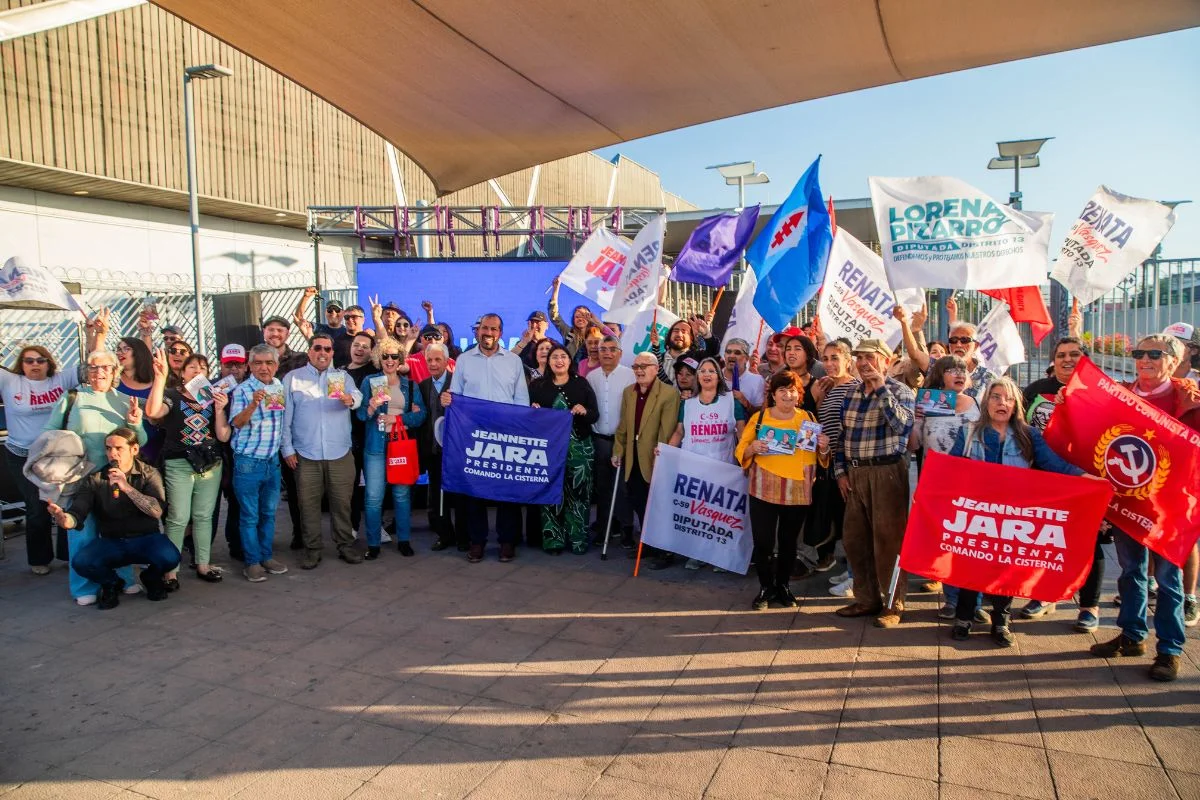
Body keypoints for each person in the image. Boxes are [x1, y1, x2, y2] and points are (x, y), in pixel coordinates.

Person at [1089, 334, 1200, 681]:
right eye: (1139, 353)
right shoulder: (1120, 393)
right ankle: (1132, 636)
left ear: (1174, 360)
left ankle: (1169, 649)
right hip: (1128, 501)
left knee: (1168, 580)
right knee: (1130, 572)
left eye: (1155, 353)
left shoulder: (1189, 400)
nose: (1145, 359)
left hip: (1169, 508)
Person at [948, 378, 1088, 647]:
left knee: (1005, 569)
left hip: (1013, 515)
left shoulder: (1029, 435)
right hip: (978, 514)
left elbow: (1054, 464)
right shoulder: (968, 433)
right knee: (971, 564)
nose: (1002, 403)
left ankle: (1001, 621)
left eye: (1009, 398)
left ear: (1016, 405)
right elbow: (950, 470)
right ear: (986, 401)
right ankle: (963, 618)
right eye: (996, 397)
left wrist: (1086, 477)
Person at [1018, 336, 1107, 628]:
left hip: (1085, 478)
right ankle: (1044, 595)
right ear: (1053, 361)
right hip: (1043, 479)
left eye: (1075, 354)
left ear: (1086, 359)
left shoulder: (1101, 392)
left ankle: (1090, 606)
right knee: (1044, 538)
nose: (1067, 359)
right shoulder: (1034, 391)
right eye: (1061, 355)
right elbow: (1019, 428)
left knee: (1089, 542)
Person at [44, 350, 146, 605]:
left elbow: (139, 442)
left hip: (113, 479)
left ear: (115, 372)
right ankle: (83, 586)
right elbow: (49, 432)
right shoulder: (73, 397)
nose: (98, 372)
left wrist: (135, 423)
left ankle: (124, 578)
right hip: (79, 478)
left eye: (104, 367)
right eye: (92, 367)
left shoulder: (125, 400)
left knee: (116, 532)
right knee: (82, 533)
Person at [833, 338, 916, 628]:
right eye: (859, 358)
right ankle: (866, 599)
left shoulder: (900, 391)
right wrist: (840, 472)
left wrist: (881, 387)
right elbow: (842, 437)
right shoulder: (851, 393)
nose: (864, 363)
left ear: (886, 360)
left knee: (888, 542)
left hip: (887, 472)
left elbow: (903, 426)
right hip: (855, 473)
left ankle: (893, 604)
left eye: (870, 357)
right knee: (855, 540)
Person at [47, 428, 177, 609]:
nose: (112, 454)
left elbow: (156, 510)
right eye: (108, 448)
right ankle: (111, 583)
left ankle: (151, 578)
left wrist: (127, 488)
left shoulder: (149, 473)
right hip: (113, 541)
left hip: (145, 539)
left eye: (118, 448)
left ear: (134, 449)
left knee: (170, 557)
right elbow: (78, 512)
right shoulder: (96, 478)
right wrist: (65, 519)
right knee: (82, 562)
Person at [736, 370, 830, 609]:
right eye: (782, 390)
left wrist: (824, 447)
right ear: (773, 395)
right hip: (763, 486)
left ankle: (783, 586)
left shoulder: (808, 417)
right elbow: (741, 450)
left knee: (789, 543)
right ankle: (766, 587)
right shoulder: (760, 418)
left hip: (797, 489)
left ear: (799, 394)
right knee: (763, 542)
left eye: (792, 390)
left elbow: (821, 457)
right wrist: (752, 448)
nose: (787, 395)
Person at [443, 313, 530, 563]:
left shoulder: (513, 361)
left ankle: (506, 542)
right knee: (474, 491)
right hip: (473, 435)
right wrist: (447, 399)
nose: (488, 333)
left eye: (493, 329)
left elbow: (521, 399)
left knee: (506, 492)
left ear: (500, 333)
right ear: (477, 331)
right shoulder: (464, 360)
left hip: (505, 435)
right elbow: (456, 396)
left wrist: (517, 430)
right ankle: (477, 541)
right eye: (484, 328)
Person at [145, 350, 230, 587]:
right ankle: (170, 570)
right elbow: (152, 412)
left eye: (203, 368)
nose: (198, 371)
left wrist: (221, 409)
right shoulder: (172, 396)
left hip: (209, 462)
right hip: (179, 463)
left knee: (203, 516)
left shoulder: (213, 398)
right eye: (192, 367)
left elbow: (223, 436)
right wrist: (160, 378)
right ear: (182, 373)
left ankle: (203, 564)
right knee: (178, 517)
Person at [281, 333, 362, 569]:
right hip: (306, 453)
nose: (323, 353)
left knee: (342, 504)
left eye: (328, 349)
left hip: (339, 452)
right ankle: (312, 549)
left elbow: (358, 396)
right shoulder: (293, 378)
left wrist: (351, 399)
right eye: (318, 348)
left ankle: (345, 544)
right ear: (309, 351)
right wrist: (287, 448)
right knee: (308, 505)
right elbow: (286, 417)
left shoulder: (342, 377)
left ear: (333, 353)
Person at [908, 355, 981, 619]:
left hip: (973, 484)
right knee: (947, 542)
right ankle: (952, 600)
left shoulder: (977, 404)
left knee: (972, 544)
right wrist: (915, 421)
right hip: (938, 485)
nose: (959, 374)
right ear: (940, 376)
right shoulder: (928, 404)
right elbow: (914, 446)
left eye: (962, 369)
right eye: (951, 370)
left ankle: (975, 603)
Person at [1, 345, 84, 575]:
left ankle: (68, 554)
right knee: (36, 507)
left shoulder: (59, 380)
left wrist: (97, 334)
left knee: (65, 504)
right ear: (21, 363)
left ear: (49, 362)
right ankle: (39, 558)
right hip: (22, 456)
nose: (35, 364)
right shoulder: (10, 381)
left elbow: (89, 366)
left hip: (57, 455)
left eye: (40, 360)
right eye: (29, 360)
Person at [672, 357, 747, 571]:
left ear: (719, 375)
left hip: (723, 469)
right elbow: (679, 431)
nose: (706, 374)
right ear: (697, 376)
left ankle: (722, 557)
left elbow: (742, 432)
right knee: (697, 513)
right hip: (694, 469)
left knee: (721, 514)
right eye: (702, 371)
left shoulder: (732, 401)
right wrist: (665, 451)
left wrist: (746, 457)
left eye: (711, 371)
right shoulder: (687, 403)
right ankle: (698, 554)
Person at [358, 338, 427, 559]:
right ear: (379, 357)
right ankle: (373, 544)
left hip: (400, 444)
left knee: (401, 495)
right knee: (373, 497)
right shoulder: (370, 381)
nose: (389, 360)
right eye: (385, 356)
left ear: (400, 359)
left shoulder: (410, 385)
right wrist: (370, 407)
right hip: (376, 446)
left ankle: (404, 541)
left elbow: (421, 415)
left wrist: (400, 417)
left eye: (394, 356)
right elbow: (360, 416)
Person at [612, 351, 680, 568]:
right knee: (639, 502)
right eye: (636, 367)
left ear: (655, 367)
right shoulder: (628, 392)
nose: (639, 370)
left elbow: (667, 430)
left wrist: (661, 455)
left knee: (659, 505)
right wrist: (618, 449)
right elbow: (623, 425)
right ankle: (649, 544)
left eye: (644, 366)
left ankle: (666, 551)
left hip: (654, 458)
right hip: (633, 459)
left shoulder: (668, 394)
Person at [228, 345, 289, 582]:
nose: (264, 367)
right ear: (250, 366)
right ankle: (252, 562)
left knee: (268, 514)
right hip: (248, 462)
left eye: (269, 363)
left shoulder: (279, 388)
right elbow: (237, 423)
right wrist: (253, 404)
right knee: (250, 515)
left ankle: (266, 556)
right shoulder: (243, 390)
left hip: (271, 462)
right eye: (258, 363)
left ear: (276, 365)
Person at [529, 343, 599, 554]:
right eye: (554, 357)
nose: (559, 360)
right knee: (551, 494)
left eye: (563, 357)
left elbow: (594, 414)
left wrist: (583, 410)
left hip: (580, 449)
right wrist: (532, 411)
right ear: (548, 362)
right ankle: (553, 541)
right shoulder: (538, 386)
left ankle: (578, 540)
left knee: (579, 494)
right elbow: (527, 419)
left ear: (570, 361)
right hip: (549, 449)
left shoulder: (581, 384)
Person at [807, 340, 860, 588]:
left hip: (848, 464)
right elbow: (820, 423)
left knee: (852, 520)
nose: (829, 363)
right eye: (825, 358)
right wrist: (816, 398)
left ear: (848, 360)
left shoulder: (856, 387)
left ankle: (856, 576)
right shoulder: (826, 388)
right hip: (828, 463)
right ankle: (850, 569)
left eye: (835, 358)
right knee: (840, 519)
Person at [261, 314, 307, 548]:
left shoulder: (300, 359)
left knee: (297, 488)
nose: (275, 334)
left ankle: (301, 534)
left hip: (291, 433)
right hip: (264, 434)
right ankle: (260, 539)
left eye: (280, 330)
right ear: (264, 332)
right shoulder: (257, 358)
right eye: (271, 330)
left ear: (287, 334)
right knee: (264, 489)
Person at [585, 335, 636, 549]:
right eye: (603, 349)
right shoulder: (591, 377)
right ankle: (604, 528)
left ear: (620, 353)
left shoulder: (630, 376)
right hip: (599, 438)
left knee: (623, 488)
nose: (607, 353)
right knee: (603, 487)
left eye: (612, 349)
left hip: (621, 440)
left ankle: (626, 529)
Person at [417, 342, 464, 551]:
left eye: (438, 359)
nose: (434, 364)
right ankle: (445, 535)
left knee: (461, 495)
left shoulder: (458, 384)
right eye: (430, 360)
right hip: (432, 451)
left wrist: (455, 402)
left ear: (446, 361)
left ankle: (464, 536)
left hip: (456, 451)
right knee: (437, 496)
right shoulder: (422, 385)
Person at [213, 344, 248, 561]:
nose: (234, 369)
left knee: (238, 502)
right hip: (216, 453)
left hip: (241, 454)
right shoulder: (210, 388)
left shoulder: (253, 387)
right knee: (211, 506)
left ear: (245, 366)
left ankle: (237, 544)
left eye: (238, 364)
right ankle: (199, 550)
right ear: (221, 365)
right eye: (229, 364)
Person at [344, 331, 377, 534]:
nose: (359, 349)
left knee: (375, 486)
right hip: (346, 438)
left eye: (365, 346)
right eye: (357, 344)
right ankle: (352, 526)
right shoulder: (339, 373)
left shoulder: (375, 373)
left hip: (371, 435)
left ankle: (376, 526)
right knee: (351, 485)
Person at [114, 336, 164, 465]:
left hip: (152, 449)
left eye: (126, 349)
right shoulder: (113, 381)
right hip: (122, 448)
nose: (120, 352)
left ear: (138, 353)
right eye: (118, 349)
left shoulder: (156, 381)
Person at [651, 319, 714, 386]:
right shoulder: (656, 359)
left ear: (691, 338)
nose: (679, 334)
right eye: (676, 331)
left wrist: (706, 334)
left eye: (684, 331)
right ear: (669, 336)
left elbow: (713, 353)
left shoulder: (698, 360)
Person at [723, 338, 765, 415]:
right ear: (724, 356)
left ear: (746, 359)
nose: (732, 355)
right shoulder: (714, 377)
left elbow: (761, 414)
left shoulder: (757, 381)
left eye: (737, 353)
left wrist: (745, 402)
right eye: (728, 352)